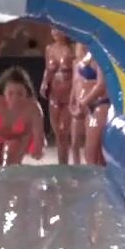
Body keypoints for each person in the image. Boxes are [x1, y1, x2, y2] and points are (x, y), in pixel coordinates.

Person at [39, 29, 76, 165]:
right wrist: (44, 84)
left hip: (69, 92)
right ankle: (62, 164)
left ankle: (65, 163)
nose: (55, 32)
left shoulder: (73, 49)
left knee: (63, 130)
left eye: (59, 29)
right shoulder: (49, 49)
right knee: (58, 134)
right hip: (54, 93)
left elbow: (78, 71)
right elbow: (48, 69)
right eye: (53, 29)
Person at [69, 44, 110, 166]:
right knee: (91, 151)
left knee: (91, 152)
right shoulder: (82, 58)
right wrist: (73, 101)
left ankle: (98, 177)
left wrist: (84, 102)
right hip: (88, 107)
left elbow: (101, 86)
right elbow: (76, 82)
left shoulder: (100, 58)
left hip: (99, 106)